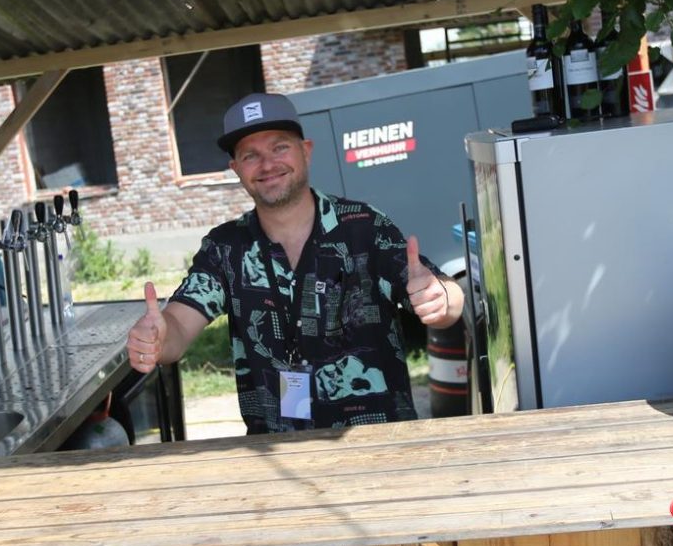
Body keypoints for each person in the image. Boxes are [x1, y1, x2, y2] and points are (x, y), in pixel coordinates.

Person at [126, 92, 464, 434]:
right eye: (250, 155)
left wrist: (442, 299)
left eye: (280, 147)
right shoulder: (226, 248)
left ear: (306, 150)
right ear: (236, 169)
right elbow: (179, 326)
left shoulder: (364, 226)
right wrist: (157, 338)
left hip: (379, 442)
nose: (267, 164)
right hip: (279, 446)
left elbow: (446, 294)